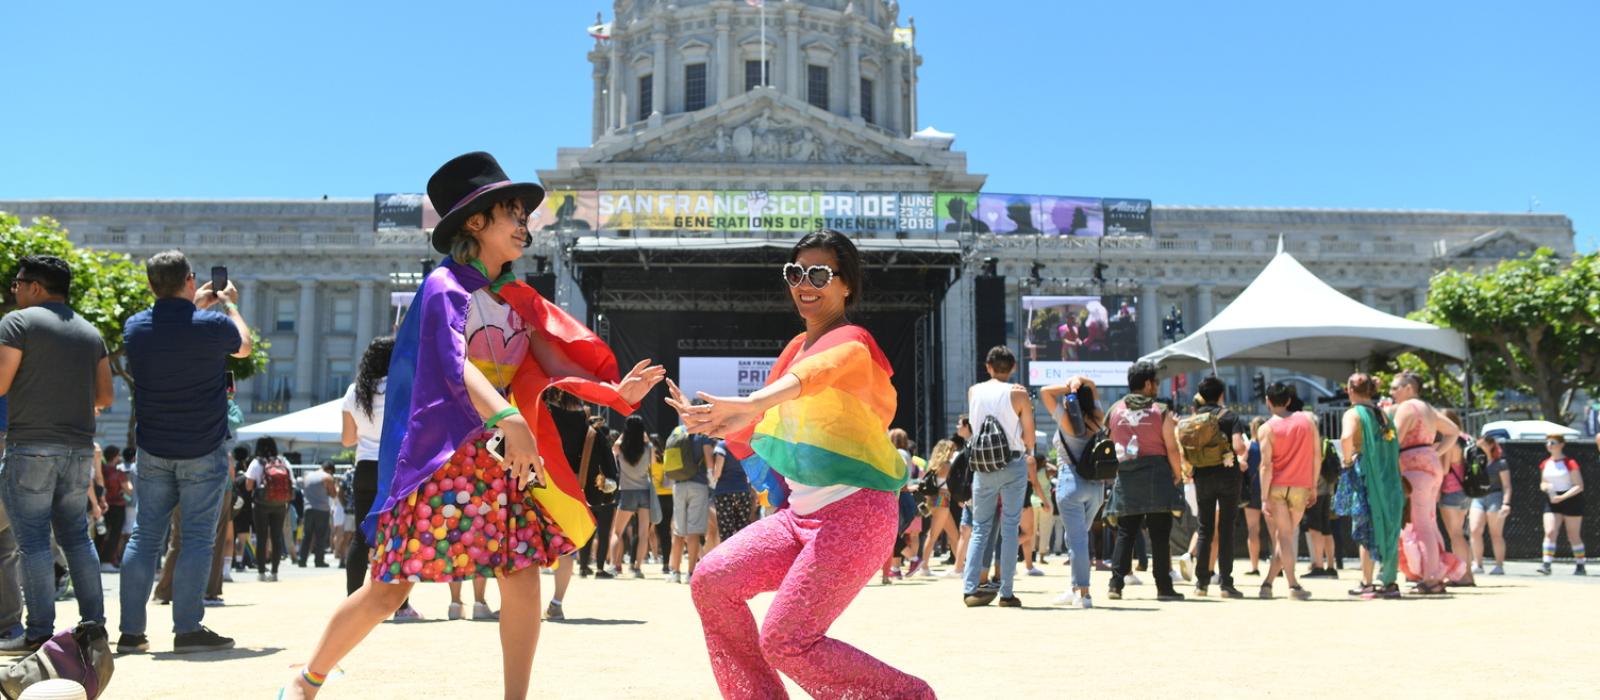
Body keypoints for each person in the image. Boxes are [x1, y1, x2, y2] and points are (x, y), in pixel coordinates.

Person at [282, 152, 663, 699]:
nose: (524, 223)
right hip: (442, 457)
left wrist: (611, 393)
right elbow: (451, 363)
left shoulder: (513, 297)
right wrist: (509, 420)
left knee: (522, 572)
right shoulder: (444, 288)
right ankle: (307, 679)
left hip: (502, 458)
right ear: (476, 223)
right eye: (512, 213)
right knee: (389, 588)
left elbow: (547, 365)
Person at [675, 229, 933, 699]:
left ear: (846, 285)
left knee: (785, 640)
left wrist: (751, 401)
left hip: (857, 516)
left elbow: (809, 379)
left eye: (819, 273)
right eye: (795, 273)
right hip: (800, 518)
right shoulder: (796, 346)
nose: (804, 283)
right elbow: (762, 417)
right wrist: (711, 420)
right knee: (712, 582)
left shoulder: (854, 340)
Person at [0, 255, 112, 652]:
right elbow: (105, 396)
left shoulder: (18, 324)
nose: (14, 290)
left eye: (17, 283)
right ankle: (94, 627)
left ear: (35, 286)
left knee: (30, 540)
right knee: (76, 539)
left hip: (30, 445)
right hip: (79, 448)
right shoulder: (90, 332)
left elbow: (0, 383)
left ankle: (39, 632)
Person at [960, 345, 1036, 608]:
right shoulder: (1018, 394)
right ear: (1013, 367)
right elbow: (1029, 437)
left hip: (982, 466)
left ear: (988, 367)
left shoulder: (974, 392)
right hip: (1012, 463)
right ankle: (1006, 592)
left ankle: (970, 588)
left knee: (980, 528)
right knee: (1010, 527)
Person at [1105, 361, 1186, 602]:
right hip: (1157, 474)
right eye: (1156, 383)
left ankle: (1115, 584)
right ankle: (1163, 586)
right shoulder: (1160, 411)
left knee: (1126, 532)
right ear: (1148, 383)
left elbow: (1109, 443)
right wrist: (1177, 473)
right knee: (1160, 534)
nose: (1157, 387)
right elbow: (1171, 448)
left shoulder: (1114, 410)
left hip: (1127, 474)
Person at [1387, 370, 1461, 594]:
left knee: (1421, 525)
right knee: (1428, 523)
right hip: (1429, 465)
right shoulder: (1427, 408)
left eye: (1395, 387)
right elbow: (1454, 431)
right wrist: (1436, 451)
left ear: (1408, 388)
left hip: (1413, 468)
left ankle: (1430, 578)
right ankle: (1431, 575)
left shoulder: (1407, 408)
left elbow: (1393, 440)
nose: (1392, 392)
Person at [1175, 376, 1247, 598]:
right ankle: (1226, 583)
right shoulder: (1230, 417)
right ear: (1221, 395)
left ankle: (1202, 583)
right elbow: (1239, 447)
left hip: (1202, 477)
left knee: (1205, 528)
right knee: (1225, 529)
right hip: (1228, 478)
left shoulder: (1195, 418)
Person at [1042, 375, 1111, 608]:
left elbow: (1044, 392)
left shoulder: (1066, 421)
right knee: (1077, 537)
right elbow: (1094, 388)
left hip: (1070, 482)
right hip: (1095, 487)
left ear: (1069, 401)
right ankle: (1074, 589)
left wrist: (1068, 386)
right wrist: (1081, 382)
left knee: (1078, 540)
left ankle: (1084, 593)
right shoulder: (1098, 419)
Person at [1335, 373, 1405, 600]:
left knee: (1366, 528)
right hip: (1388, 478)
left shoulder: (1353, 413)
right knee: (1386, 524)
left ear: (1349, 390)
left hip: (1365, 475)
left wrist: (1347, 461)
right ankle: (1389, 580)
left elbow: (1346, 439)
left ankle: (1367, 582)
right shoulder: (1382, 414)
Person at [1256, 383, 1318, 600]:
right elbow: (1316, 455)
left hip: (1277, 486)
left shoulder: (1265, 429)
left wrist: (1264, 497)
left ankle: (1271, 583)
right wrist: (1313, 485)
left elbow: (1266, 465)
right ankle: (1289, 584)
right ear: (1289, 400)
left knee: (1283, 536)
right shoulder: (1308, 420)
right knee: (1287, 535)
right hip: (1301, 485)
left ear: (1268, 401)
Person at [666, 420, 714, 585]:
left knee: (679, 530)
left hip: (678, 485)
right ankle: (691, 573)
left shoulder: (678, 430)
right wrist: (711, 478)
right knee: (694, 531)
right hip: (698, 485)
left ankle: (675, 572)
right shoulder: (703, 434)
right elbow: (709, 459)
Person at [607, 415, 655, 578]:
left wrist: (624, 433)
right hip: (644, 491)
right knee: (643, 533)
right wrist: (644, 435)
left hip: (627, 491)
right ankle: (637, 568)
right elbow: (653, 464)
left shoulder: (621, 447)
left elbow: (614, 446)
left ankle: (615, 565)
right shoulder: (648, 448)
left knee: (616, 532)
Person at [244, 437, 292, 582]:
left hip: (261, 505)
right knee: (277, 537)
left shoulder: (256, 463)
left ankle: (261, 572)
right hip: (280, 504)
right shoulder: (283, 462)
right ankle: (275, 572)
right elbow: (291, 483)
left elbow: (248, 486)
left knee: (262, 538)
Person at [1537, 434, 1585, 576]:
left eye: (1553, 442)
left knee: (1573, 535)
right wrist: (1545, 487)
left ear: (1561, 445)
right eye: (1547, 443)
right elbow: (1543, 482)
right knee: (1550, 531)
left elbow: (1579, 486)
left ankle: (1580, 565)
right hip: (1552, 500)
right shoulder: (1545, 463)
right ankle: (1546, 564)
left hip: (1571, 499)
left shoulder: (1570, 463)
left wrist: (1563, 497)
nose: (1549, 445)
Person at [1436, 409, 1475, 585]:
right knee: (1460, 535)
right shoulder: (1467, 438)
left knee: (1456, 535)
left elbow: (1444, 470)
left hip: (1450, 490)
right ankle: (1466, 575)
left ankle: (1463, 576)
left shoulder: (1450, 441)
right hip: (1466, 490)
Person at [1468, 430, 1512, 575]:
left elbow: (1506, 486)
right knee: (1474, 530)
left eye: (1482, 444)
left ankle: (1499, 565)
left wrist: (1506, 503)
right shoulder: (1476, 461)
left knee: (1495, 533)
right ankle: (1478, 564)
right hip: (1478, 497)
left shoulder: (1500, 463)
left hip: (1495, 496)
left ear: (1491, 445)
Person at [915, 439, 960, 578]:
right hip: (942, 501)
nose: (953, 453)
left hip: (934, 501)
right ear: (947, 451)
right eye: (952, 450)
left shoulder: (934, 465)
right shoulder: (946, 465)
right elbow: (954, 484)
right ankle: (924, 566)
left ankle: (960, 566)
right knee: (933, 535)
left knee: (954, 536)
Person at [710, 438, 755, 544]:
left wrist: (711, 477)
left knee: (726, 531)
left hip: (724, 491)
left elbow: (717, 472)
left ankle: (728, 559)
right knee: (743, 528)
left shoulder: (722, 445)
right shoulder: (744, 445)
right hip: (743, 490)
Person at [297, 462, 339, 567]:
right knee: (321, 536)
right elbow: (333, 494)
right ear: (329, 470)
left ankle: (302, 559)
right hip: (321, 509)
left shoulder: (307, 476)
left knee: (307, 535)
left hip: (308, 508)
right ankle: (319, 560)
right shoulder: (327, 477)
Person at [97, 445, 130, 569]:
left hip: (102, 504)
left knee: (101, 533)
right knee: (115, 534)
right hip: (117, 505)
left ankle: (98, 559)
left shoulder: (101, 470)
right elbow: (129, 490)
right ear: (115, 456)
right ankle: (108, 560)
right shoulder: (118, 473)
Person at [1241, 417, 1267, 575]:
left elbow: (1242, 465)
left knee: (1253, 529)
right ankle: (1279, 566)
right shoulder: (1269, 445)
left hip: (1252, 490)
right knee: (1275, 530)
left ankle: (1254, 566)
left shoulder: (1249, 446)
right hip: (1268, 488)